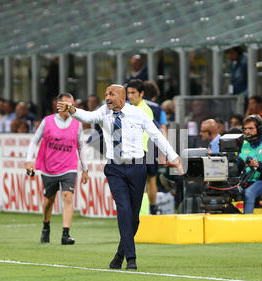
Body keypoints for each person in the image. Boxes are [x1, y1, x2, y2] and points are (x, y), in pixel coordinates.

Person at [57, 84, 183, 270]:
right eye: (106, 94)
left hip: (137, 167)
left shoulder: (139, 114)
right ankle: (131, 259)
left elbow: (156, 136)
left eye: (111, 94)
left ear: (123, 97)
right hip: (115, 168)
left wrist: (174, 157)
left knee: (134, 219)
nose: (107, 97)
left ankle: (119, 255)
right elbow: (88, 116)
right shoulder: (104, 112)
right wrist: (73, 110)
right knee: (123, 209)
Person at [25, 93, 89, 245]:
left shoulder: (77, 123)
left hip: (69, 166)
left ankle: (65, 234)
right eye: (66, 103)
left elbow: (80, 146)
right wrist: (28, 161)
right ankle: (46, 226)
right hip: (49, 167)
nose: (69, 106)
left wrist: (85, 168)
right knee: (49, 200)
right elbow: (34, 141)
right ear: (58, 105)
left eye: (71, 103)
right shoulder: (47, 121)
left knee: (68, 196)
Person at [126, 79, 159, 215]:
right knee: (138, 181)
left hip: (146, 148)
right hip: (137, 149)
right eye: (128, 93)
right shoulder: (128, 108)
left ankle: (152, 208)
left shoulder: (146, 110)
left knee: (150, 179)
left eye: (133, 93)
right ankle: (140, 209)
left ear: (141, 93)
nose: (130, 96)